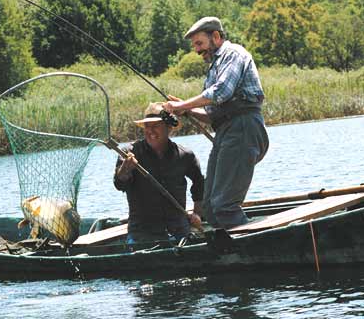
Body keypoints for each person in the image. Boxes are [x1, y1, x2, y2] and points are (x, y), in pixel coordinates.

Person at [163, 17, 269, 229]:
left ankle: (246, 249)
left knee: (224, 205)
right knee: (210, 206)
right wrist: (187, 110)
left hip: (243, 129)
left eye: (199, 43)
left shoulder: (233, 54)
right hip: (227, 132)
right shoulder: (214, 67)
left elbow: (221, 92)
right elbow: (213, 115)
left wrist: (183, 103)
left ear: (216, 37)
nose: (196, 50)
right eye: (194, 45)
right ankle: (225, 253)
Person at [114, 102, 204, 245]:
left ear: (169, 128)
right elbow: (119, 184)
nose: (151, 131)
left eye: (156, 126)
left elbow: (199, 184)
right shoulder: (129, 153)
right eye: (147, 127)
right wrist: (126, 169)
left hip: (179, 229)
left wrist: (198, 213)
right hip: (142, 232)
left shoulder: (185, 155)